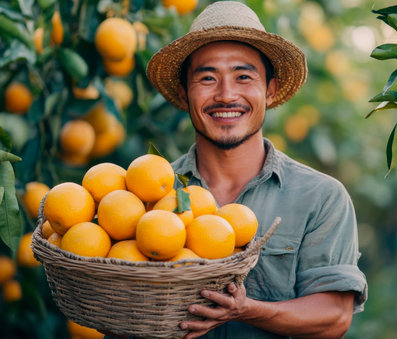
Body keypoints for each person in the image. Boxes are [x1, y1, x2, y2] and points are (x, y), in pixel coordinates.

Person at [146, 1, 368, 338]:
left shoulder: (320, 197)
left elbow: (335, 316)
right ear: (184, 92)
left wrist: (249, 311)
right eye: (207, 78)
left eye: (243, 76)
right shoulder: (147, 194)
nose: (226, 94)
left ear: (270, 89)